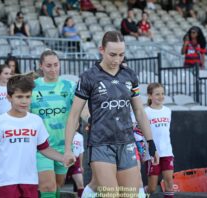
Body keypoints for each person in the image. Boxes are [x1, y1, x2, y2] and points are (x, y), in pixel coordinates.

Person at [64, 31, 158, 197]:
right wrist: (67, 149)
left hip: (126, 142)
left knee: (129, 194)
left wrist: (151, 144)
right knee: (111, 194)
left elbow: (139, 112)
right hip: (100, 143)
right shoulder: (89, 77)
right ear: (102, 50)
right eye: (112, 54)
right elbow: (74, 115)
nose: (117, 60)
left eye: (121, 55)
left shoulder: (129, 75)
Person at [0, 75, 74, 198]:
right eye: (19, 97)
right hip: (6, 182)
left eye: (28, 96)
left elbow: (44, 148)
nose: (24, 101)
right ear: (9, 97)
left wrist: (63, 158)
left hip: (30, 181)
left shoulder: (36, 121)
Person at [30, 50, 77, 198]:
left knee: (58, 185)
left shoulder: (70, 86)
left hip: (65, 146)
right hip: (42, 147)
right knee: (48, 186)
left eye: (56, 65)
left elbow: (80, 111)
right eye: (49, 65)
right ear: (41, 66)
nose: (53, 69)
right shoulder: (32, 87)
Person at [144, 83, 174, 198]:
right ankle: (141, 194)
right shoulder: (145, 112)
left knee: (169, 183)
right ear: (150, 96)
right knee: (152, 188)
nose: (161, 96)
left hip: (167, 152)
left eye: (162, 94)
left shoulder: (168, 111)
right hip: (152, 153)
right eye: (157, 94)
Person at [66, 122, 84, 198]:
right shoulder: (65, 135)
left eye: (77, 124)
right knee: (59, 183)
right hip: (65, 161)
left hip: (76, 163)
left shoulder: (80, 136)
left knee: (80, 184)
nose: (75, 125)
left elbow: (81, 151)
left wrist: (81, 165)